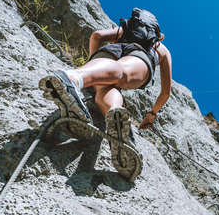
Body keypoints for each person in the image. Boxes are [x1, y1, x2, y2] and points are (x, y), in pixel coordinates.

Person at [39, 9, 172, 176]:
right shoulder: (161, 47)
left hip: (110, 50)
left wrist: (93, 69)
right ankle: (75, 82)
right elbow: (166, 92)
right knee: (122, 71)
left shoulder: (127, 30)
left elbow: (96, 36)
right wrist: (151, 114)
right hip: (141, 57)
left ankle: (84, 83)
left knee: (106, 85)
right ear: (158, 33)